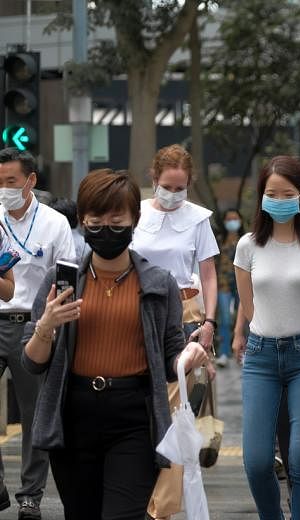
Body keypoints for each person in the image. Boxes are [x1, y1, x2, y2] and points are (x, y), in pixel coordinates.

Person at [20, 168, 209, 519]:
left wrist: (188, 355)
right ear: (82, 222)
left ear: (134, 221)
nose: (106, 228)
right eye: (96, 220)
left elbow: (170, 356)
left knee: (125, 514)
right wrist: (46, 325)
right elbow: (32, 362)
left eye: (117, 220)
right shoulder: (61, 281)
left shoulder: (157, 283)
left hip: (134, 416)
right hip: (74, 414)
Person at [233, 155, 300, 520]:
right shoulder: (247, 246)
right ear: (261, 196)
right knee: (257, 461)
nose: (279, 200)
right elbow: (248, 308)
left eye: (287, 193)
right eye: (271, 193)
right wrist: (265, 333)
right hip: (261, 357)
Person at [131, 144, 219, 519]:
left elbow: (209, 273)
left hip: (185, 313)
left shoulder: (198, 218)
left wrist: (210, 323)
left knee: (175, 413)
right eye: (167, 186)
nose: (173, 194)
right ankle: (141, 499)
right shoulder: (133, 214)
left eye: (180, 187)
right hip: (139, 311)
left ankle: (160, 509)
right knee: (141, 414)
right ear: (153, 180)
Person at [0, 147, 75, 519]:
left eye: (10, 182)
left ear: (30, 181)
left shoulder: (53, 223)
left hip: (33, 325)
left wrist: (52, 326)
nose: (4, 189)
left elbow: (66, 276)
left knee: (34, 414)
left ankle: (30, 494)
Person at [215, 208, 243, 367]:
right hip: (222, 284)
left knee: (245, 321)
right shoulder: (219, 240)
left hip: (242, 285)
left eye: (235, 218)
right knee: (224, 319)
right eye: (229, 219)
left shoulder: (246, 239)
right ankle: (224, 353)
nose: (232, 222)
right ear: (224, 222)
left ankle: (242, 352)